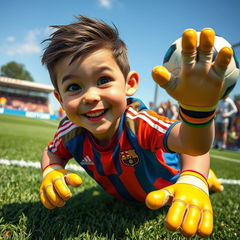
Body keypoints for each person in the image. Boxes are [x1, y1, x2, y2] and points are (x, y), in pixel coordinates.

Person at [39, 16, 230, 238]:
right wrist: (51, 171)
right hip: (130, 197)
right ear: (60, 99)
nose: (90, 96)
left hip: (170, 183)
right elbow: (51, 151)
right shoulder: (69, 132)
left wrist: (194, 178)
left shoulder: (138, 122)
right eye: (74, 86)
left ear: (129, 84)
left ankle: (207, 176)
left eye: (103, 80)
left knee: (196, 169)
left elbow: (191, 144)